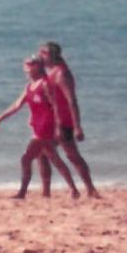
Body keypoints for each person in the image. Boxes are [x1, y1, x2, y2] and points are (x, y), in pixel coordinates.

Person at [0, 56, 79, 199]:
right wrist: (0, 118)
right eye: (26, 65)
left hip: (46, 126)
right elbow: (17, 105)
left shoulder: (45, 84)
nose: (27, 69)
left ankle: (22, 192)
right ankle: (73, 189)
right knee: (54, 159)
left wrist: (58, 126)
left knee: (27, 158)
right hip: (37, 126)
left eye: (31, 65)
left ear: (38, 66)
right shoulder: (30, 86)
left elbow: (56, 106)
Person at [36, 42, 100, 199]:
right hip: (53, 121)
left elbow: (72, 100)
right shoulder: (52, 72)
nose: (40, 56)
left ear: (51, 55)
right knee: (43, 153)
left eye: (43, 53)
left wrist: (77, 126)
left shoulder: (62, 74)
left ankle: (90, 189)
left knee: (71, 155)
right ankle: (47, 191)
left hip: (63, 122)